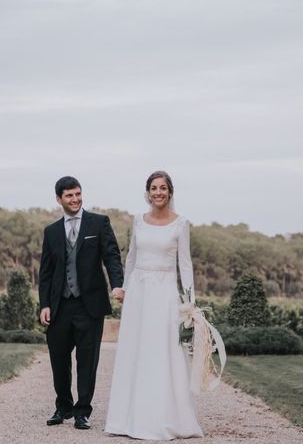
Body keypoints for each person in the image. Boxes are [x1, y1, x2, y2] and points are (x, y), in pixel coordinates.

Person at [104, 170, 205, 440]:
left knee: (162, 352)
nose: (158, 192)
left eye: (163, 188)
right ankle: (126, 418)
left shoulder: (180, 224)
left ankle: (162, 418)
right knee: (135, 350)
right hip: (138, 292)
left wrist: (190, 304)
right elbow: (131, 258)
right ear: (147, 192)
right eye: (153, 188)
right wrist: (124, 287)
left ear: (170, 192)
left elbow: (185, 264)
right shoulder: (138, 221)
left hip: (165, 294)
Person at [38, 176, 125, 430]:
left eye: (77, 194)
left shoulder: (99, 223)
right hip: (60, 306)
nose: (75, 199)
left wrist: (117, 284)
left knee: (88, 361)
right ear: (59, 199)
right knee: (59, 359)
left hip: (90, 306)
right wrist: (45, 304)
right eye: (69, 196)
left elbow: (112, 256)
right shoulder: (51, 231)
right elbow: (45, 272)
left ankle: (82, 412)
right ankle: (63, 407)